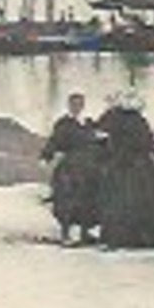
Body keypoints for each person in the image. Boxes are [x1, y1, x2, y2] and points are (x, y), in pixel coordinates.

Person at [95, 91, 154, 249]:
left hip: (123, 164)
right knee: (133, 199)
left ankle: (118, 238)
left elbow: (102, 134)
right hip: (134, 165)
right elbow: (146, 141)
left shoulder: (116, 118)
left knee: (119, 200)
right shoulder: (138, 120)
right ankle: (138, 237)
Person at [40, 93, 103, 246]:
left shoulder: (88, 123)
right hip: (71, 167)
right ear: (69, 105)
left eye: (80, 104)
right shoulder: (63, 123)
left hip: (89, 167)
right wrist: (46, 156)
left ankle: (84, 232)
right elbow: (55, 141)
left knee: (88, 199)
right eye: (74, 104)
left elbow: (97, 141)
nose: (77, 107)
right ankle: (65, 233)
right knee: (67, 200)